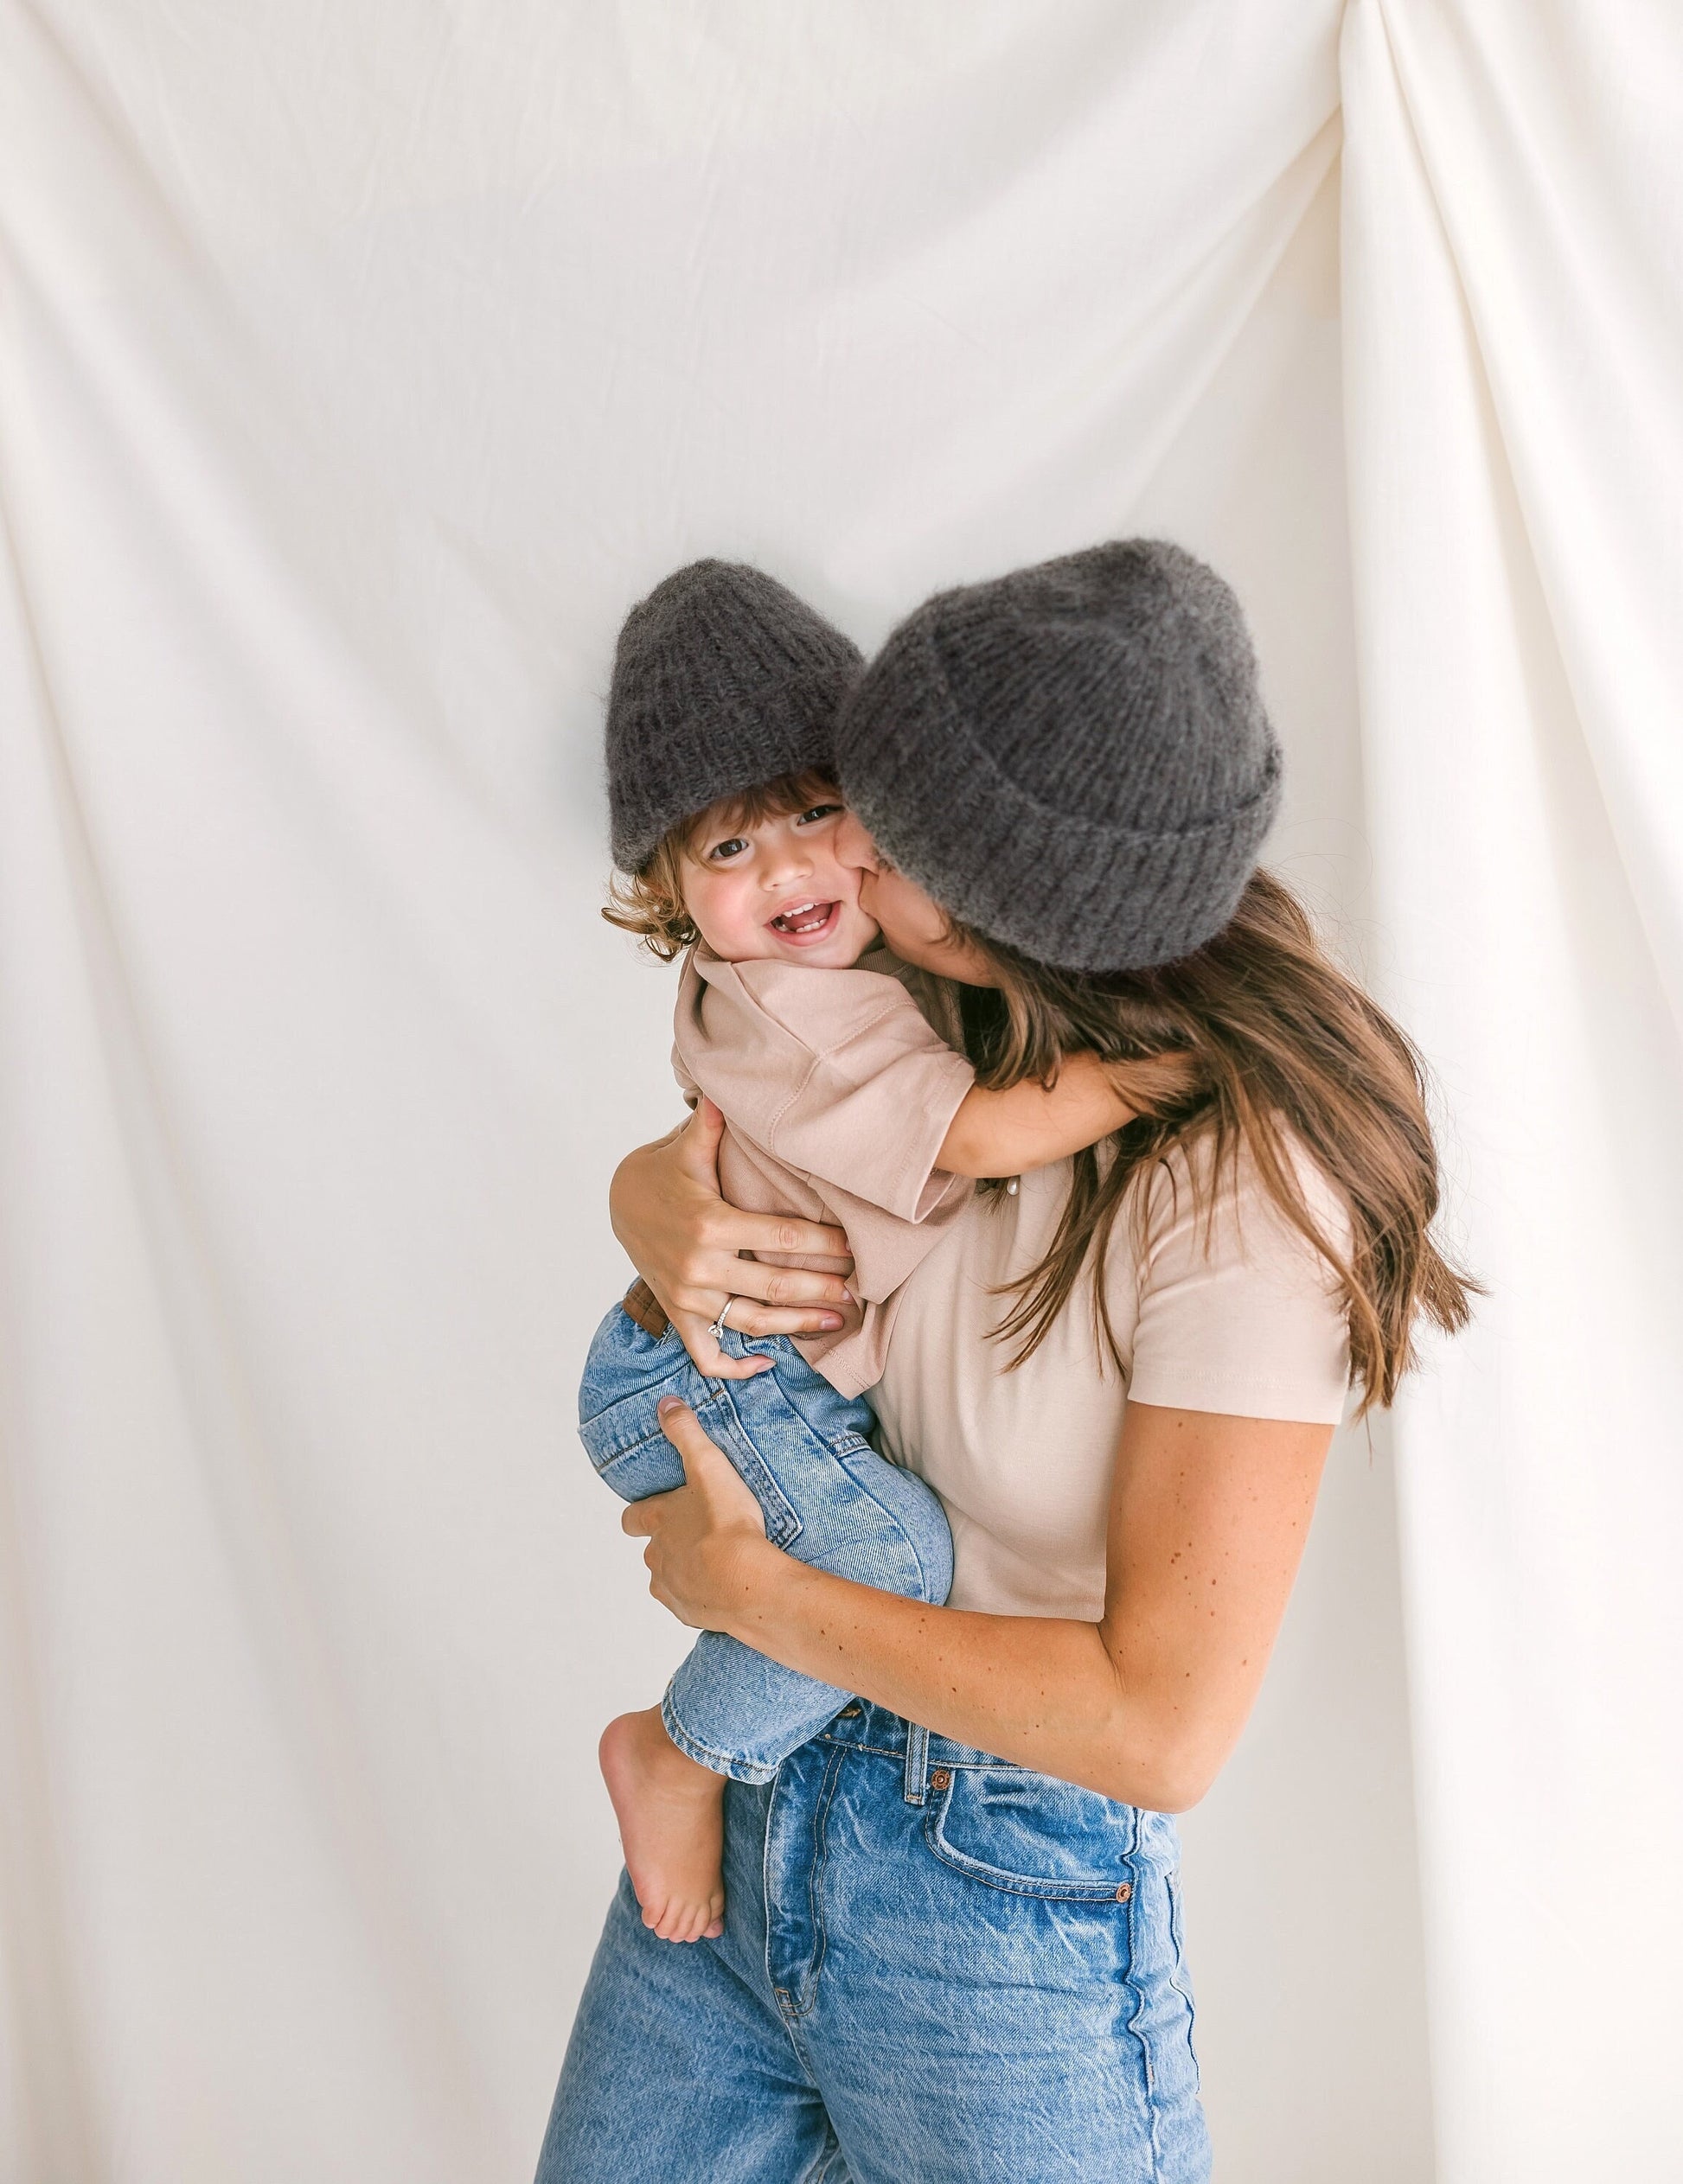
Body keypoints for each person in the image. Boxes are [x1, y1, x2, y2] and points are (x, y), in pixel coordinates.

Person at [539, 540, 1474, 2183]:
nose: (834, 863)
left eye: (873, 831)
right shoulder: (927, 1005)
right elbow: (760, 1118)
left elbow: (1161, 1730)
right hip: (752, 1828)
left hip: (988, 1895)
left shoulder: (1246, 1189)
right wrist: (646, 1201)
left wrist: (747, 1595)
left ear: (997, 899)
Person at [584, 559, 1155, 1947]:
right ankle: (676, 1752)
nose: (783, 867)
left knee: (881, 1551)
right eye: (726, 851)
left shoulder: (857, 974)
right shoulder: (792, 1006)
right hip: (714, 1373)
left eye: (813, 812)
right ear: (664, 888)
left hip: (744, 1362)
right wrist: (1164, 1065)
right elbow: (973, 1134)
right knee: (892, 1555)